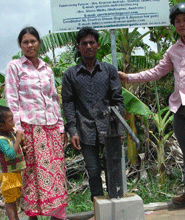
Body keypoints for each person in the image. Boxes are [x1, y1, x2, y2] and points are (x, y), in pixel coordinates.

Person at [118, 2, 185, 210]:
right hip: (180, 108)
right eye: (177, 21)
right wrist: (129, 77)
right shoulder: (173, 50)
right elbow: (157, 71)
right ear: (173, 24)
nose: (181, 24)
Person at [4, 26, 68, 220]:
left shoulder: (46, 68)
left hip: (51, 128)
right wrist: (18, 131)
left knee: (55, 174)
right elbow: (12, 99)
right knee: (32, 174)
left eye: (33, 41)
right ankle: (33, 216)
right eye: (25, 42)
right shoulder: (15, 66)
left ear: (39, 43)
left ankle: (56, 216)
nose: (30, 45)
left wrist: (61, 126)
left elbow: (53, 98)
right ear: (20, 45)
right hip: (30, 129)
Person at [62, 27, 124, 202]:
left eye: (91, 42)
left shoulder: (109, 71)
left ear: (97, 45)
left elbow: (117, 100)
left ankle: (115, 203)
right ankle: (98, 206)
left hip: (109, 129)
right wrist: (72, 131)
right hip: (84, 129)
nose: (88, 46)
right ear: (78, 47)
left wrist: (119, 128)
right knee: (93, 170)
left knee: (112, 166)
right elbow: (68, 103)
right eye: (84, 43)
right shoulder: (70, 74)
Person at [0, 105, 27, 220]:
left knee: (16, 200)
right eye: (10, 120)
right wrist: (18, 139)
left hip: (18, 174)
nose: (14, 122)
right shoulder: (1, 140)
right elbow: (10, 154)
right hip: (9, 176)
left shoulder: (10, 135)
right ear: (1, 125)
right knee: (11, 202)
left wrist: (23, 148)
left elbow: (16, 151)